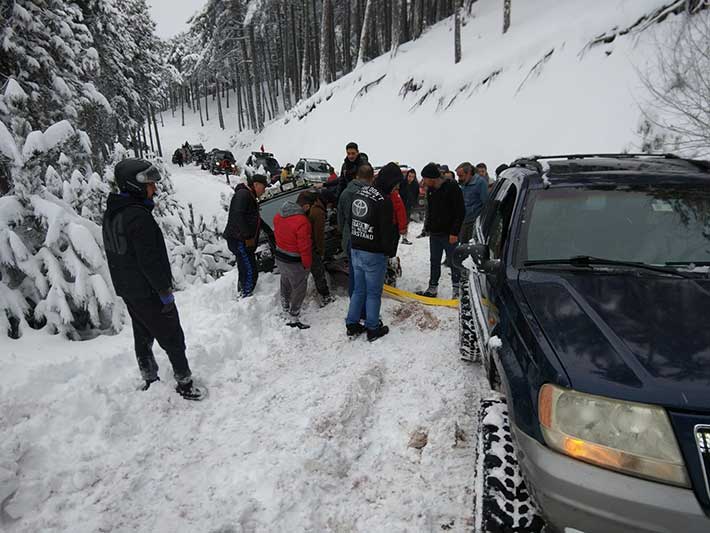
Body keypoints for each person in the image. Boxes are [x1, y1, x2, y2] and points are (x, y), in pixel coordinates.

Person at [102, 158, 205, 401]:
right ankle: (184, 383)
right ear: (136, 186)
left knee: (143, 333)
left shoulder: (113, 213)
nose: (154, 189)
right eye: (150, 184)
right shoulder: (138, 217)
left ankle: (149, 376)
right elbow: (150, 260)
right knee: (172, 335)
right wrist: (163, 290)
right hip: (149, 290)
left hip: (129, 290)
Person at [346, 162, 399, 342]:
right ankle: (373, 327)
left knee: (359, 290)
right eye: (395, 184)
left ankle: (352, 324)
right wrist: (389, 251)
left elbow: (351, 220)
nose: (395, 188)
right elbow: (385, 231)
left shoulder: (359, 193)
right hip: (373, 253)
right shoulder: (384, 201)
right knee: (373, 293)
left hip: (356, 248)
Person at [417, 163, 465, 299]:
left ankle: (456, 289)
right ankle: (432, 287)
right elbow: (430, 210)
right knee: (434, 260)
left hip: (450, 234)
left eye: (425, 178)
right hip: (435, 233)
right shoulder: (431, 190)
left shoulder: (452, 188)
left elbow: (460, 212)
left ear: (432, 178)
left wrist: (454, 232)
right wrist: (428, 227)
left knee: (453, 261)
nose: (424, 181)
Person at [223, 174, 268, 298]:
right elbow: (238, 215)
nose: (264, 191)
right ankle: (246, 296)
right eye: (263, 188)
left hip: (241, 239)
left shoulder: (248, 196)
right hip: (239, 240)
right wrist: (248, 236)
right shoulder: (243, 194)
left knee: (245, 268)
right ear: (256, 185)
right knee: (250, 271)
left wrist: (270, 232)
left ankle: (243, 292)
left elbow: (255, 219)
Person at [273, 192, 313, 329]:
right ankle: (293, 316)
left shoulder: (278, 216)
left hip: (280, 256)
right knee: (299, 287)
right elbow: (305, 246)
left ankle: (285, 305)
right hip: (293, 260)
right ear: (306, 206)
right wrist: (307, 264)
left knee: (285, 281)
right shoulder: (302, 221)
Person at [338, 163, 373, 303]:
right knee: (367, 275)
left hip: (350, 239)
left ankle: (355, 306)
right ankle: (365, 307)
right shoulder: (371, 194)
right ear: (371, 178)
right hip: (367, 239)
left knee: (354, 274)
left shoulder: (345, 193)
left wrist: (345, 235)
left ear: (357, 176)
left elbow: (340, 219)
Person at [306, 190, 334, 306]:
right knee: (318, 271)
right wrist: (320, 251)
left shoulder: (315, 206)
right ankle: (325, 296)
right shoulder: (319, 212)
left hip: (307, 244)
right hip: (310, 246)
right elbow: (319, 235)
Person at [456, 162, 489, 243]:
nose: (459, 178)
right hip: (463, 221)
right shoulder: (462, 184)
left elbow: (485, 203)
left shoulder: (480, 183)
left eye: (461, 176)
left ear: (469, 174)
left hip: (474, 223)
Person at [400, 169, 420, 244]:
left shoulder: (415, 185)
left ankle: (404, 238)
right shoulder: (402, 183)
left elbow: (416, 195)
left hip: (408, 206)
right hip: (401, 204)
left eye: (412, 177)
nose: (410, 178)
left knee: (406, 222)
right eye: (409, 176)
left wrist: (413, 203)